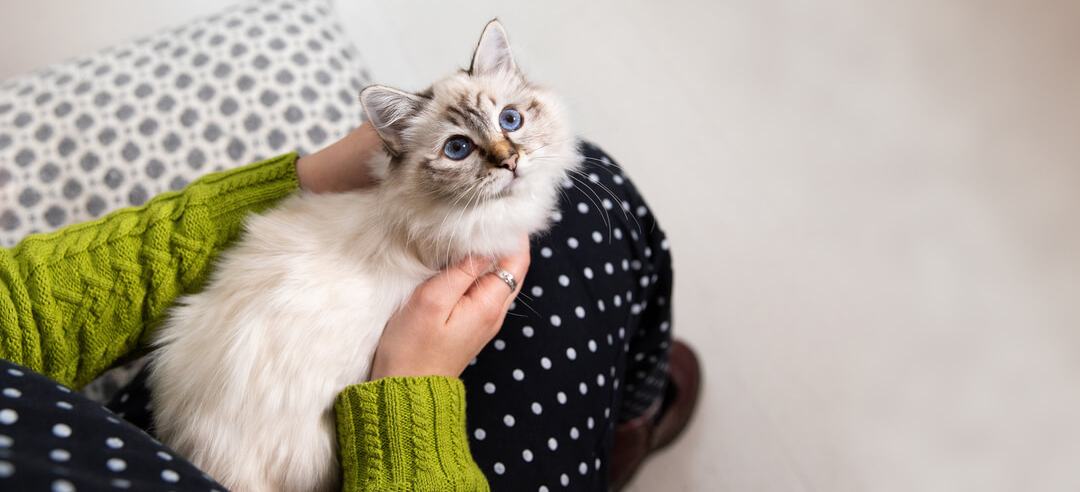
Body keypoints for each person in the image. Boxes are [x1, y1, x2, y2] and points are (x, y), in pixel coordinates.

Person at [0, 123, 698, 491]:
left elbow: (17, 314)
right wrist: (410, 397)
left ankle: (625, 414)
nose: (506, 150)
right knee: (586, 200)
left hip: (149, 437)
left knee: (575, 186)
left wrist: (298, 182)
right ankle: (626, 424)